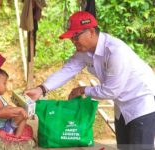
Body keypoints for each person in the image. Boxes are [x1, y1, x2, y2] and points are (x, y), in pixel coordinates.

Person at [24, 11, 155, 149]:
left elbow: (111, 91)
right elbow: (68, 69)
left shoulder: (115, 52)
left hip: (141, 105)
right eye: (71, 38)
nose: (73, 41)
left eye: (75, 36)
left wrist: (83, 90)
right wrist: (41, 89)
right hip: (121, 107)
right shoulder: (85, 51)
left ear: (91, 32)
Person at [0, 68, 28, 137]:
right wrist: (19, 109)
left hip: (5, 123)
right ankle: (10, 131)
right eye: (4, 83)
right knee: (22, 112)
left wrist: (20, 108)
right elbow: (5, 110)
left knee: (25, 114)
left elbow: (8, 108)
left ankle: (16, 136)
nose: (6, 86)